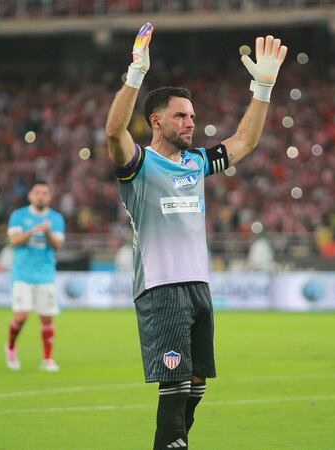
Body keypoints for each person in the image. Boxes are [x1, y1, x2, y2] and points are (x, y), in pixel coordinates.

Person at [105, 23, 287, 450]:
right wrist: (136, 74)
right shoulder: (138, 165)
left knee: (197, 383)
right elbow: (114, 132)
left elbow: (244, 140)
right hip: (160, 289)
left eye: (192, 114)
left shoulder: (196, 163)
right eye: (181, 115)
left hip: (198, 287)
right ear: (156, 120)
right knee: (174, 385)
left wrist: (262, 88)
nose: (191, 121)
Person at [5, 181, 65, 372]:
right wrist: (33, 231)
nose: (41, 196)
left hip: (45, 275)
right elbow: (13, 241)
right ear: (30, 195)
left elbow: (57, 246)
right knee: (21, 316)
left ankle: (47, 359)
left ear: (49, 197)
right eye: (37, 192)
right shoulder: (18, 216)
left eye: (44, 193)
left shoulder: (56, 219)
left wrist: (46, 232)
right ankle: (11, 347)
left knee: (47, 318)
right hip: (22, 274)